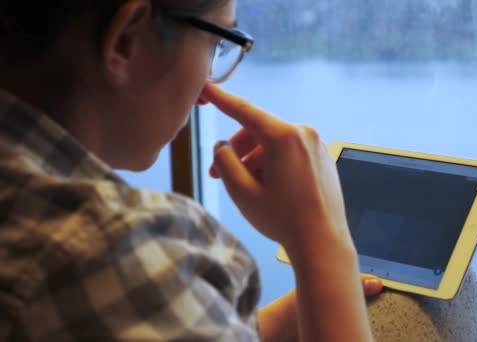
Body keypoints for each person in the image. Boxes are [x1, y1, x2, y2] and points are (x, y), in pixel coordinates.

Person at [0, 0, 383, 341]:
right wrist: (321, 240)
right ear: (126, 39)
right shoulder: (101, 251)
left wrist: (324, 296)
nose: (205, 91)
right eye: (216, 43)